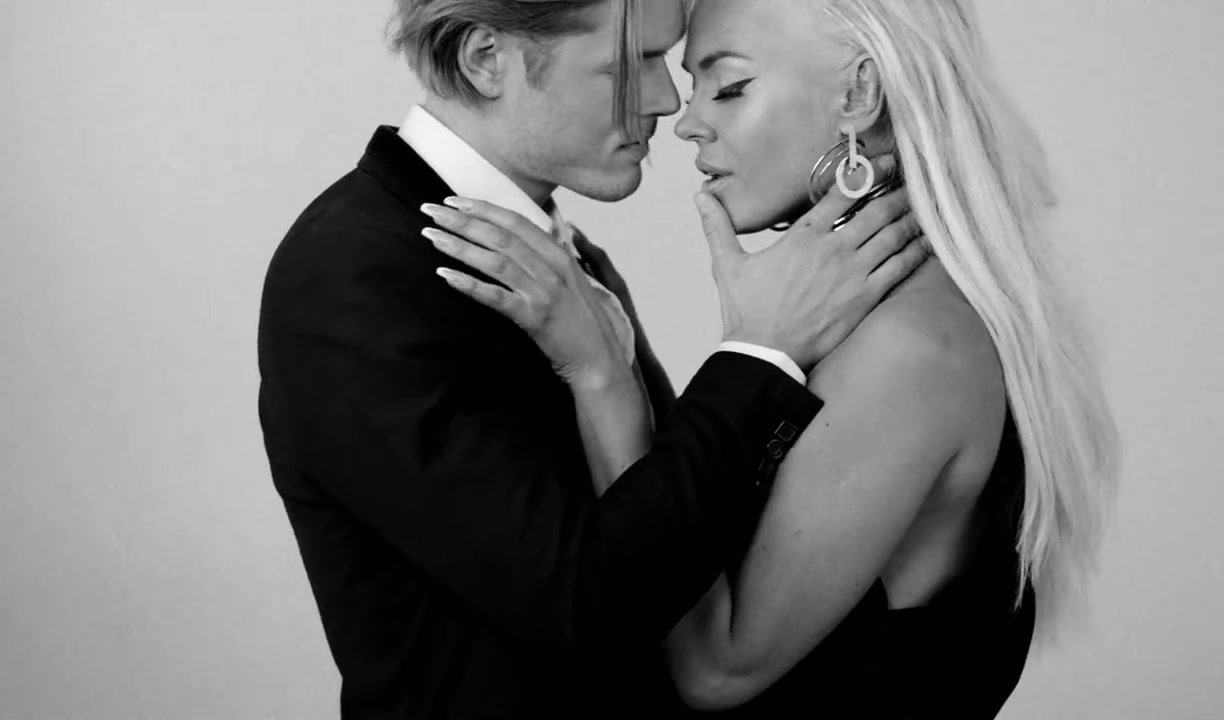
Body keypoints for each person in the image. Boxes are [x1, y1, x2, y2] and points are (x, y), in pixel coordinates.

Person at [428, 0, 1120, 717]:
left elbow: (715, 670)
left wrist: (611, 377)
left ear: (859, 93)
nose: (687, 122)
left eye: (729, 87)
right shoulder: (872, 315)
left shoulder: (907, 348)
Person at [256, 0, 927, 717]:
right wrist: (762, 353)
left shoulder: (564, 259)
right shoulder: (353, 279)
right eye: (630, 65)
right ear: (486, 60)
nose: (666, 101)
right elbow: (587, 613)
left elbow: (670, 547)